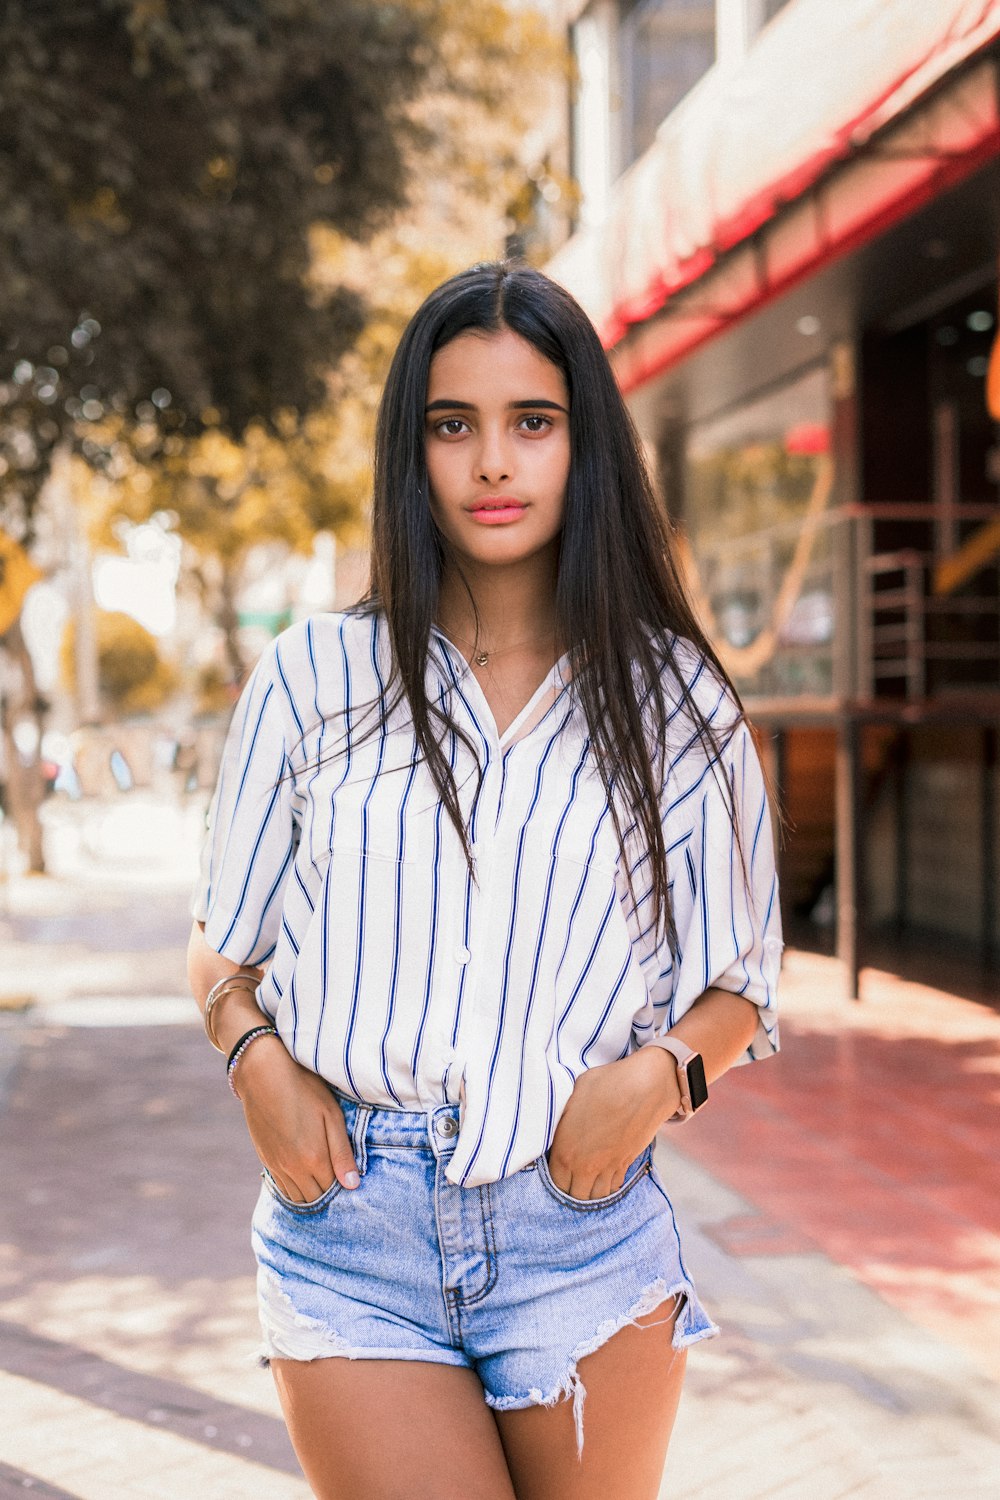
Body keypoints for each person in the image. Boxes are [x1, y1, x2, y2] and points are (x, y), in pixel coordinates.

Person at [187, 261, 781, 1500]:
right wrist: (255, 1064)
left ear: (586, 445)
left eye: (533, 423)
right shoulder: (312, 680)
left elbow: (743, 986)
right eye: (453, 426)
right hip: (350, 1223)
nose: (492, 463)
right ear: (414, 453)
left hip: (581, 1222)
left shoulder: (678, 705)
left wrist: (655, 1083)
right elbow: (222, 941)